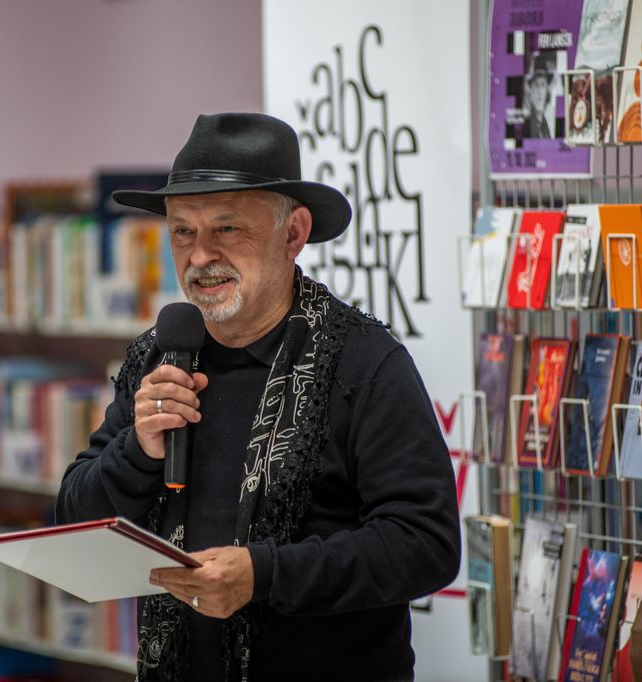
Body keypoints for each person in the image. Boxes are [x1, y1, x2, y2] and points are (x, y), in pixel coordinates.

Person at [54, 112, 460, 681]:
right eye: (183, 232)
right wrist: (138, 451)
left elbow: (426, 543)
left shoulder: (364, 363)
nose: (199, 256)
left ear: (293, 234)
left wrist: (264, 575)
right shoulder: (159, 357)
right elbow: (74, 517)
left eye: (226, 229)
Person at [524, 53, 555, 139]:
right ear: (530, 89)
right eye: (537, 85)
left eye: (543, 85)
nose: (540, 92)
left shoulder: (545, 124)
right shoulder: (526, 122)